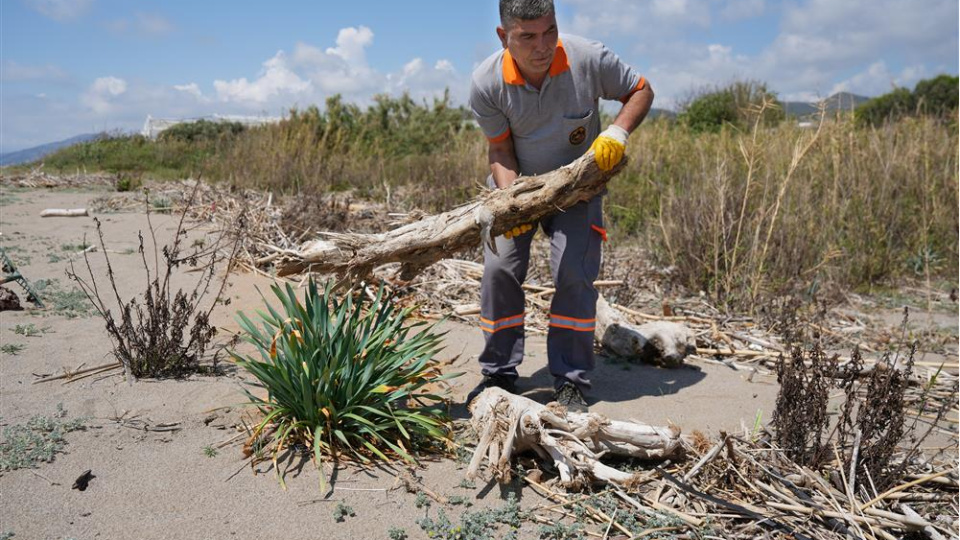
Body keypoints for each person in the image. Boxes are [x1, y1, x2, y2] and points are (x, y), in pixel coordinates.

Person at [467, 0, 654, 411]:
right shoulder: (486, 82)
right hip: (518, 187)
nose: (542, 46)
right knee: (500, 271)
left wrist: (618, 134)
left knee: (573, 274)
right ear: (504, 37)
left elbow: (641, 90)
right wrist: (511, 203)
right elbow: (499, 150)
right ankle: (498, 374)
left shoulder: (587, 58)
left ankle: (570, 380)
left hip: (579, 189)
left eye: (549, 31)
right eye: (527, 37)